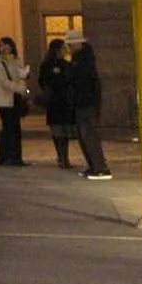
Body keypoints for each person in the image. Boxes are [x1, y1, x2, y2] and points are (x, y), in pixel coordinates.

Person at [68, 41, 110, 179]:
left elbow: (83, 84)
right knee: (85, 135)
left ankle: (99, 168)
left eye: (71, 45)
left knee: (89, 135)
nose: (69, 48)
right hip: (84, 103)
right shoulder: (82, 60)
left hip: (85, 103)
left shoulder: (82, 62)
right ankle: (94, 166)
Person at [0, 36, 30, 166]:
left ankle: (16, 157)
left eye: (6, 45)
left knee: (16, 128)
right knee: (7, 128)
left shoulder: (15, 60)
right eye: (1, 45)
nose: (3, 48)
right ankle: (3, 157)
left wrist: (24, 74)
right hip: (4, 100)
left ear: (11, 46)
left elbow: (19, 75)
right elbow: (4, 82)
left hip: (15, 99)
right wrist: (18, 88)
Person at [37, 39, 74, 168]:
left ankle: (64, 157)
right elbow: (42, 80)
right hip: (54, 100)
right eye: (63, 48)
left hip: (65, 101)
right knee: (58, 129)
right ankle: (61, 157)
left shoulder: (67, 64)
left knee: (64, 130)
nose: (65, 51)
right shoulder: (48, 65)